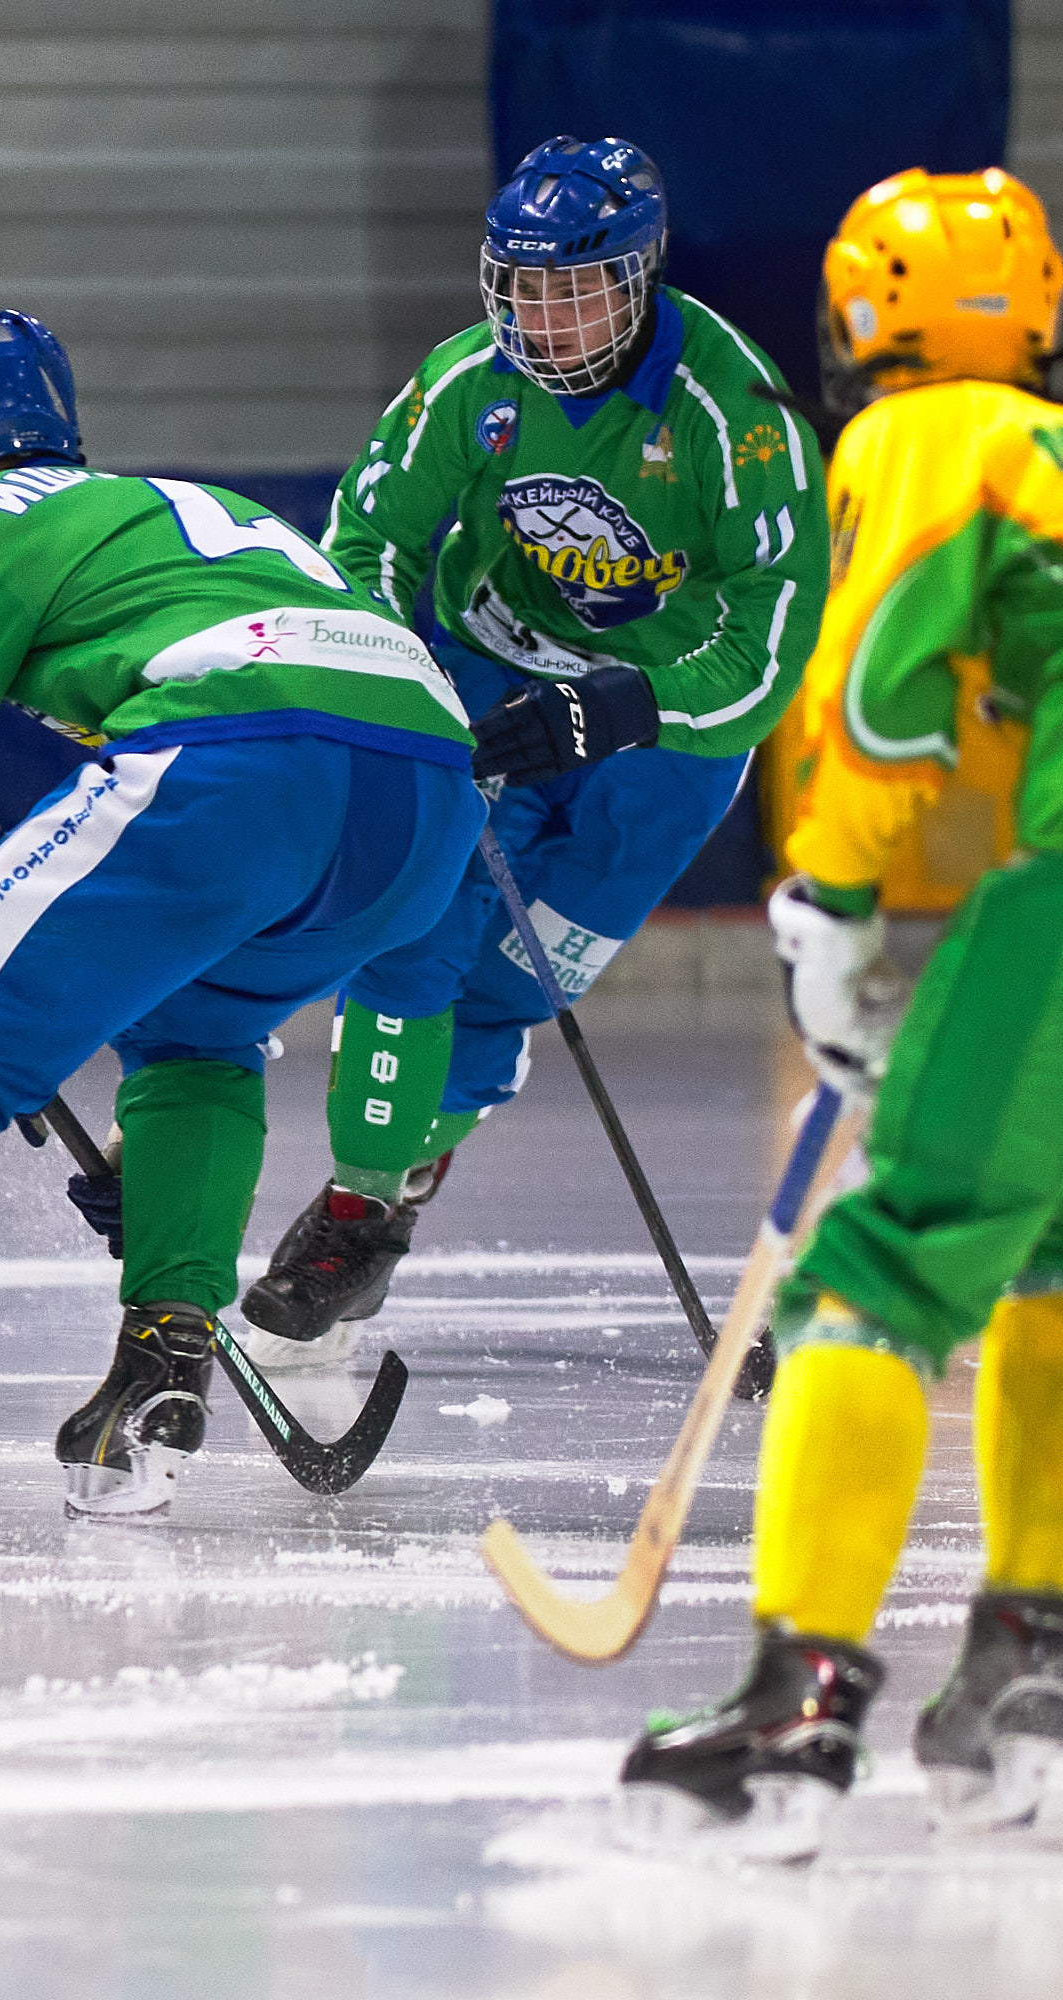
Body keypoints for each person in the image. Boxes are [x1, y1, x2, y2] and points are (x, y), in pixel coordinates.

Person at [0, 309, 482, 1543]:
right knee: (198, 1037)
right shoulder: (178, 510)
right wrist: (41, 992)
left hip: (249, 750)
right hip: (432, 794)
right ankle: (161, 1371)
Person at [619, 168, 1063, 1853]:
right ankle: (1033, 1668)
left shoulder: (931, 439)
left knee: (873, 1278)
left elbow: (880, 677)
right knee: (1050, 1269)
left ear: (864, 315)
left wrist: (833, 895)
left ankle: (794, 1709)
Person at [240, 137, 826, 1366]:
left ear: (643, 278)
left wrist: (618, 707)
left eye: (579, 289)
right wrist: (394, 675)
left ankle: (401, 1179)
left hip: (665, 736)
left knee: (519, 987)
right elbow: (369, 539)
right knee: (418, 936)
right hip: (487, 678)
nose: (547, 320)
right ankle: (354, 1209)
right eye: (524, 287)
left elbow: (769, 652)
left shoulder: (739, 420)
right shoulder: (469, 384)